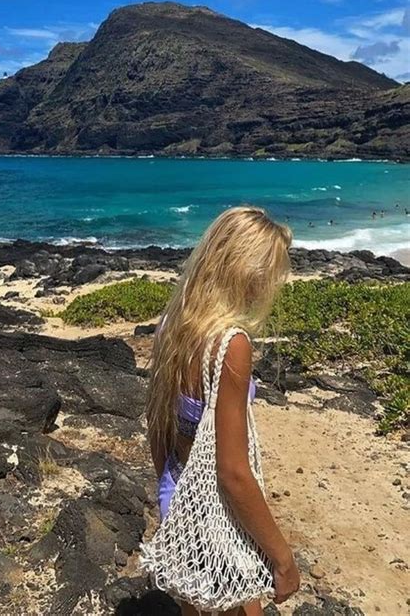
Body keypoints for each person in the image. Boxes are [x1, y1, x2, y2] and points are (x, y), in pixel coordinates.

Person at [146, 206, 300, 616]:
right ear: (247, 271)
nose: (273, 286)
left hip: (177, 489)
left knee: (193, 606)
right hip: (216, 507)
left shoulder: (173, 324)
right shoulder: (230, 345)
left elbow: (156, 420)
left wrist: (170, 490)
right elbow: (232, 472)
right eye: (271, 274)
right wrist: (283, 560)